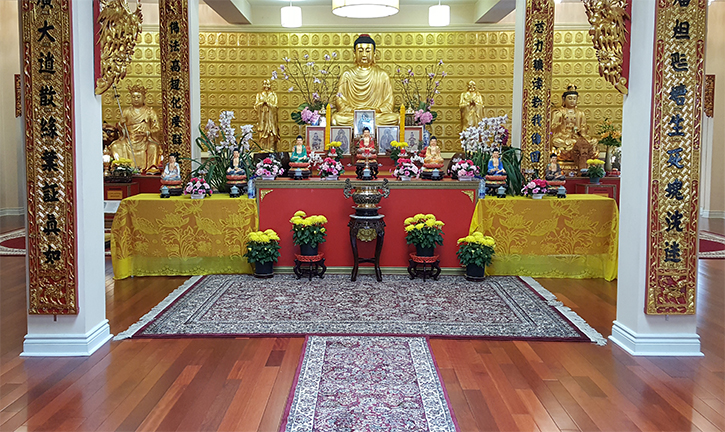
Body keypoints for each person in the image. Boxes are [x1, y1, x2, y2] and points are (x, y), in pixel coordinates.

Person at [332, 34, 398, 126]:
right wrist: (354, 110)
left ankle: (363, 124)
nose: (364, 54)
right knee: (336, 119)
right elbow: (340, 101)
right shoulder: (347, 75)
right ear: (354, 53)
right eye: (360, 51)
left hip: (376, 115)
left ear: (374, 53)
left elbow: (389, 102)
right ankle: (367, 124)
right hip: (353, 114)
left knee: (395, 118)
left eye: (368, 51)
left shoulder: (382, 75)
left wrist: (376, 110)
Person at [109, 85, 162, 173]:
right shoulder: (126, 111)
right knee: (115, 146)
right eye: (133, 97)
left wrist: (147, 133)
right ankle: (123, 167)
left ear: (144, 98)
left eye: (138, 97)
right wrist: (121, 124)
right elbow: (121, 129)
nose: (136, 99)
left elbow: (157, 128)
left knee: (153, 147)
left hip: (144, 140)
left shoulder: (150, 112)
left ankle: (151, 167)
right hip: (129, 140)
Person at [551, 84, 598, 169]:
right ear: (564, 100)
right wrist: (560, 122)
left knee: (593, 141)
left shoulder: (580, 113)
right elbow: (552, 129)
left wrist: (580, 130)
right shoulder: (559, 112)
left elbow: (583, 128)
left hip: (576, 138)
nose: (572, 101)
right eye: (569, 98)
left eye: (574, 99)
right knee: (556, 141)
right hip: (563, 137)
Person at [254, 79, 280, 151]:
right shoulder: (259, 95)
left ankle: (271, 148)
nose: (266, 86)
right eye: (264, 84)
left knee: (271, 133)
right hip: (263, 118)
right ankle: (263, 148)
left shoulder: (273, 95)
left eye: (268, 84)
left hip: (271, 119)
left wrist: (269, 104)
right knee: (262, 134)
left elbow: (276, 106)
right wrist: (262, 104)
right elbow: (256, 106)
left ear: (270, 85)